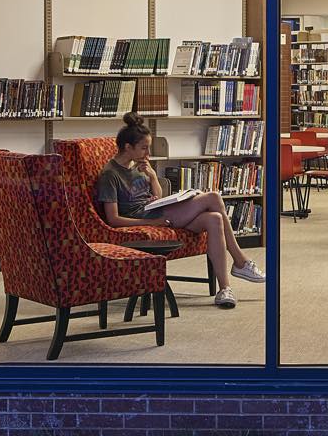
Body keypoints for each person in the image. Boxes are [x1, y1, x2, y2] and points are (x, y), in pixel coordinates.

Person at [94, 113, 265, 309]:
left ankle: (224, 289)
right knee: (214, 198)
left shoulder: (138, 166)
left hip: (156, 210)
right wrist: (153, 223)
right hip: (146, 217)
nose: (148, 153)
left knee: (215, 219)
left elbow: (156, 195)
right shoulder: (110, 174)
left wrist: (152, 176)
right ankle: (240, 261)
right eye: (144, 148)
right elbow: (113, 219)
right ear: (127, 147)